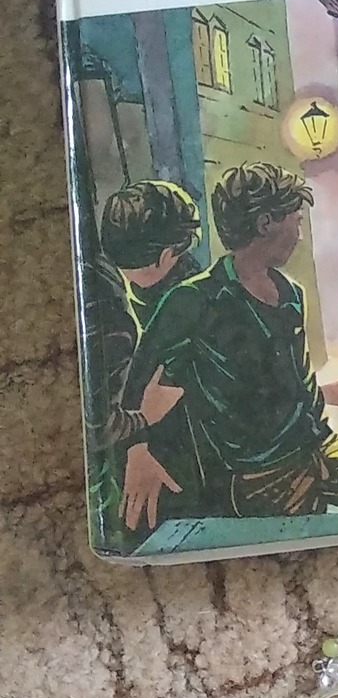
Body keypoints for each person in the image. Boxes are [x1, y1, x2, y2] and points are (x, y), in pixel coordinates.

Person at [121, 162, 338, 528]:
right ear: (266, 223)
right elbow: (137, 383)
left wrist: (325, 392)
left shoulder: (291, 294)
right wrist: (137, 450)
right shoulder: (194, 300)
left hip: (319, 450)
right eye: (296, 221)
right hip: (259, 477)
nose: (300, 236)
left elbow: (278, 382)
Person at [83, 180, 203, 540]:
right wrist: (142, 423)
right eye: (178, 252)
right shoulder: (113, 320)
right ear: (164, 257)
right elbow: (97, 425)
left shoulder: (98, 267)